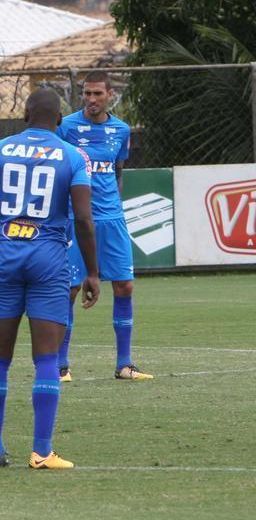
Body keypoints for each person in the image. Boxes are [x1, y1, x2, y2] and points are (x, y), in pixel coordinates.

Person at [0, 88, 101, 470]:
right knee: (46, 357)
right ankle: (41, 451)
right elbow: (85, 219)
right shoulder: (73, 156)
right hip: (48, 259)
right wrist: (91, 270)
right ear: (59, 119)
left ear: (25, 113)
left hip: (6, 256)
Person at [56, 72, 151, 381]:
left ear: (111, 95)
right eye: (87, 93)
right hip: (74, 219)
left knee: (124, 286)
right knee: (68, 289)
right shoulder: (67, 127)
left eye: (98, 93)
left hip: (111, 219)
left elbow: (117, 167)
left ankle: (124, 364)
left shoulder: (121, 130)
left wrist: (112, 203)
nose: (92, 99)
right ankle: (60, 365)